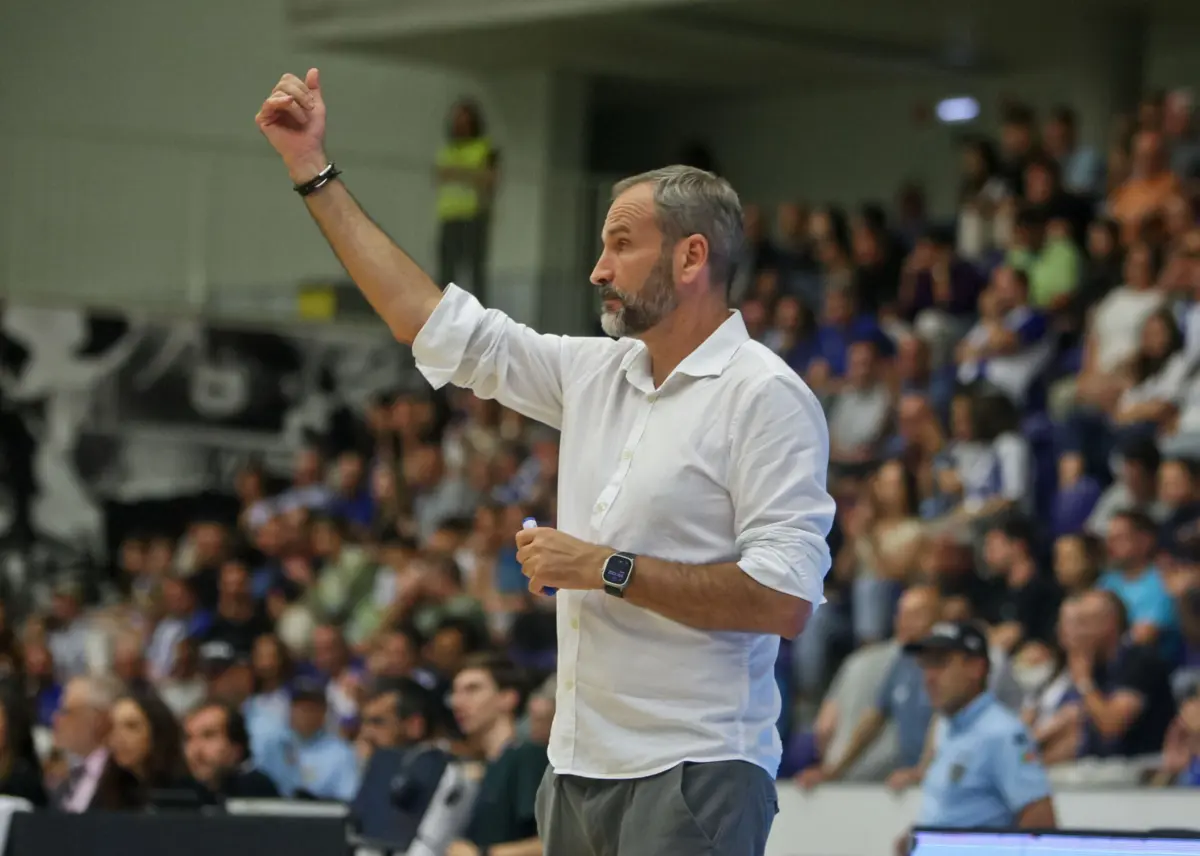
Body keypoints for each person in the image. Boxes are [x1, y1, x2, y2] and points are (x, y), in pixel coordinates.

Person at [257, 69, 833, 855]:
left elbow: (782, 599)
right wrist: (312, 173)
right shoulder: (595, 372)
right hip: (573, 769)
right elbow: (423, 319)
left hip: (697, 770)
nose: (598, 268)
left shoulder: (764, 395)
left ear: (693, 256)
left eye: (621, 244)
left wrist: (605, 568)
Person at [896, 622, 1057, 855]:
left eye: (940, 663)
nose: (928, 677)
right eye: (925, 664)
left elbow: (1040, 822)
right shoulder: (947, 726)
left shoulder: (1002, 733)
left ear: (976, 667)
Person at [446, 653, 547, 856]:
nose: (457, 702)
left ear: (507, 698)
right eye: (455, 692)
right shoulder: (480, 766)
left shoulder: (527, 757)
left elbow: (553, 841)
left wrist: (485, 854)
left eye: (472, 689)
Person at [183, 701, 279, 802]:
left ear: (236, 748)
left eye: (209, 735)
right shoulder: (179, 791)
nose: (195, 749)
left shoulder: (257, 789)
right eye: (188, 738)